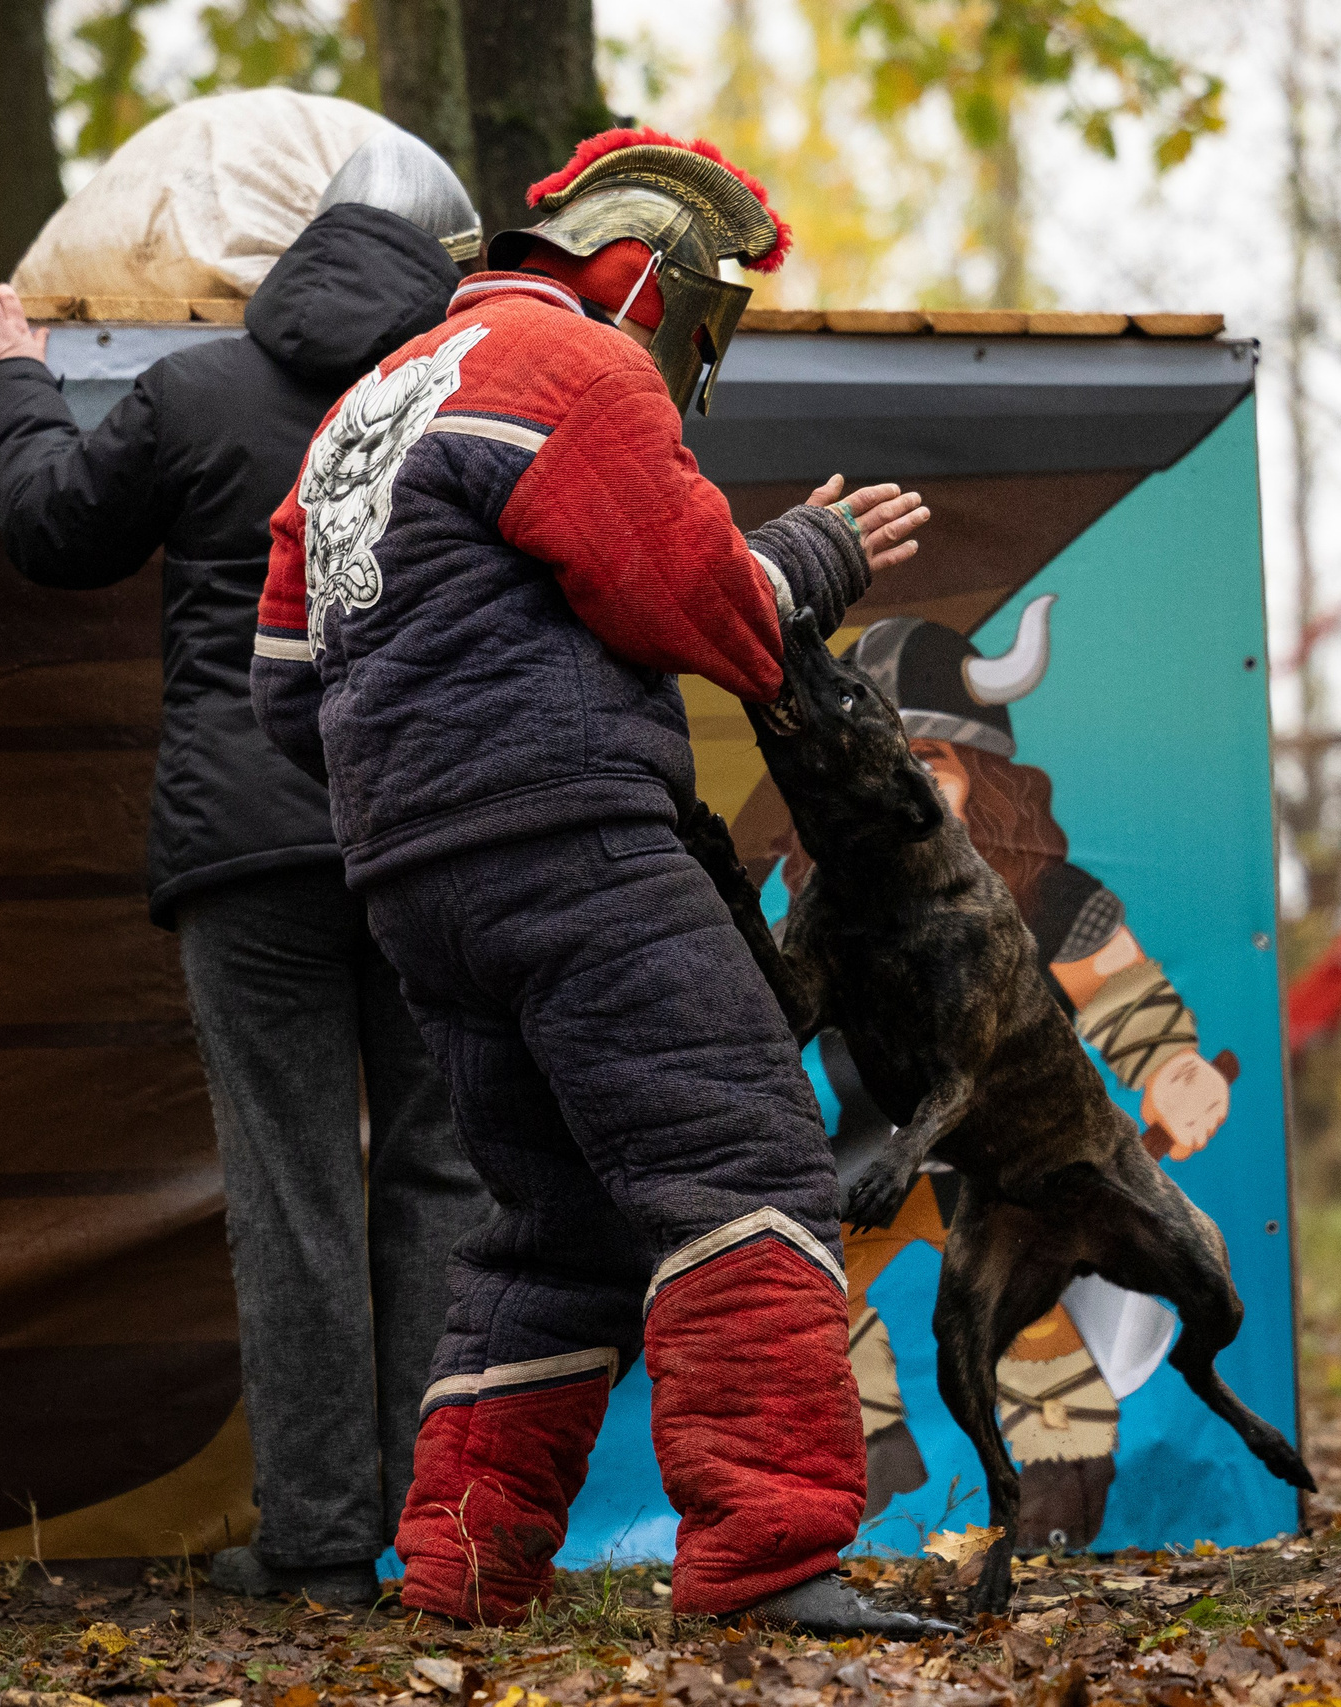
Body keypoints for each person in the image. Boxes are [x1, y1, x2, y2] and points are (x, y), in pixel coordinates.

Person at [250, 126, 943, 1634]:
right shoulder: (569, 370)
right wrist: (816, 553)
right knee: (741, 1153)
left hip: (411, 881)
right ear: (653, 279)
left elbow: (284, 685)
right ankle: (769, 1556)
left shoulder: (361, 413)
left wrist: (427, 790)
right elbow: (702, 604)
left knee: (547, 1226)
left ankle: (461, 1566)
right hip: (567, 842)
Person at [0, 129, 494, 1610]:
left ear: (305, 245)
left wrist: (13, 378)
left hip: (247, 849)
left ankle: (317, 1544)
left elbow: (55, 530)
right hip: (428, 839)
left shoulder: (194, 390)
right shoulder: (464, 409)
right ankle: (448, 1543)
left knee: (294, 1188)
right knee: (443, 1177)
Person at [747, 607, 1238, 1551]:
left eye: (935, 755)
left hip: (1004, 1162)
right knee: (811, 1293)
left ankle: (1057, 1492)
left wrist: (1173, 1065)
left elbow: (1120, 994)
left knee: (1036, 1317)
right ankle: (870, 1471)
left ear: (993, 782)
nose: (907, 773)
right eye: (891, 749)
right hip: (868, 1157)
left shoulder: (1038, 893)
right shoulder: (822, 895)